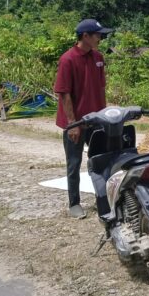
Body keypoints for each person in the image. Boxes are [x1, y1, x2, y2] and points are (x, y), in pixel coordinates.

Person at [54, 18, 112, 219]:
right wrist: (72, 124)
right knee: (74, 163)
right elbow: (64, 93)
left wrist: (104, 116)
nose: (100, 38)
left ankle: (103, 200)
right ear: (85, 36)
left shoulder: (98, 57)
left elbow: (101, 88)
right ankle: (74, 203)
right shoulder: (68, 59)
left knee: (100, 161)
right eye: (98, 35)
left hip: (96, 120)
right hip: (76, 123)